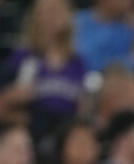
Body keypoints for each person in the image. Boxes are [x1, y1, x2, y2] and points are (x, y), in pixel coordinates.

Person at [8, 0, 88, 140]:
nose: (52, 18)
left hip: (66, 136)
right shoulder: (23, 57)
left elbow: (82, 107)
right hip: (32, 133)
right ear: (36, 18)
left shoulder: (77, 62)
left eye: (57, 11)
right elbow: (11, 103)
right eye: (47, 12)